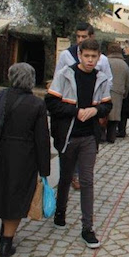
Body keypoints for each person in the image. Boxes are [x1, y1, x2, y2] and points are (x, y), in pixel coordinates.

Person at [46, 38, 112, 249]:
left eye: (94, 57)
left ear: (99, 57)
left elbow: (107, 105)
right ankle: (60, 210)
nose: (91, 60)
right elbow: (51, 103)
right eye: (87, 56)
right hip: (67, 135)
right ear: (80, 55)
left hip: (89, 137)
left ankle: (87, 228)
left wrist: (96, 110)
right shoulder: (65, 74)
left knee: (86, 180)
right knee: (65, 177)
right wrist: (76, 111)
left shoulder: (101, 79)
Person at [0, 63, 50, 257]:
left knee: (2, 193)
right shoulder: (36, 104)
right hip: (24, 157)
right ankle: (6, 242)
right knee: (16, 198)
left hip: (0, 153)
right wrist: (44, 169)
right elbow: (42, 139)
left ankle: (4, 233)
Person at [55, 22, 112, 190]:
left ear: (91, 37)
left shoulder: (102, 60)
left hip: (91, 109)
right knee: (67, 145)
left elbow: (108, 80)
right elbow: (58, 75)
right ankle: (67, 177)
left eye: (84, 37)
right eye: (78, 36)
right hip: (70, 108)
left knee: (86, 147)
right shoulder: (66, 55)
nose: (80, 39)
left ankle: (79, 176)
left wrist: (100, 103)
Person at [105, 43, 129, 143]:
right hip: (118, 92)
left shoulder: (106, 61)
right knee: (114, 116)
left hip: (105, 91)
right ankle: (111, 136)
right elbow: (128, 82)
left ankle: (102, 136)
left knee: (104, 114)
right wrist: (125, 93)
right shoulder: (124, 64)